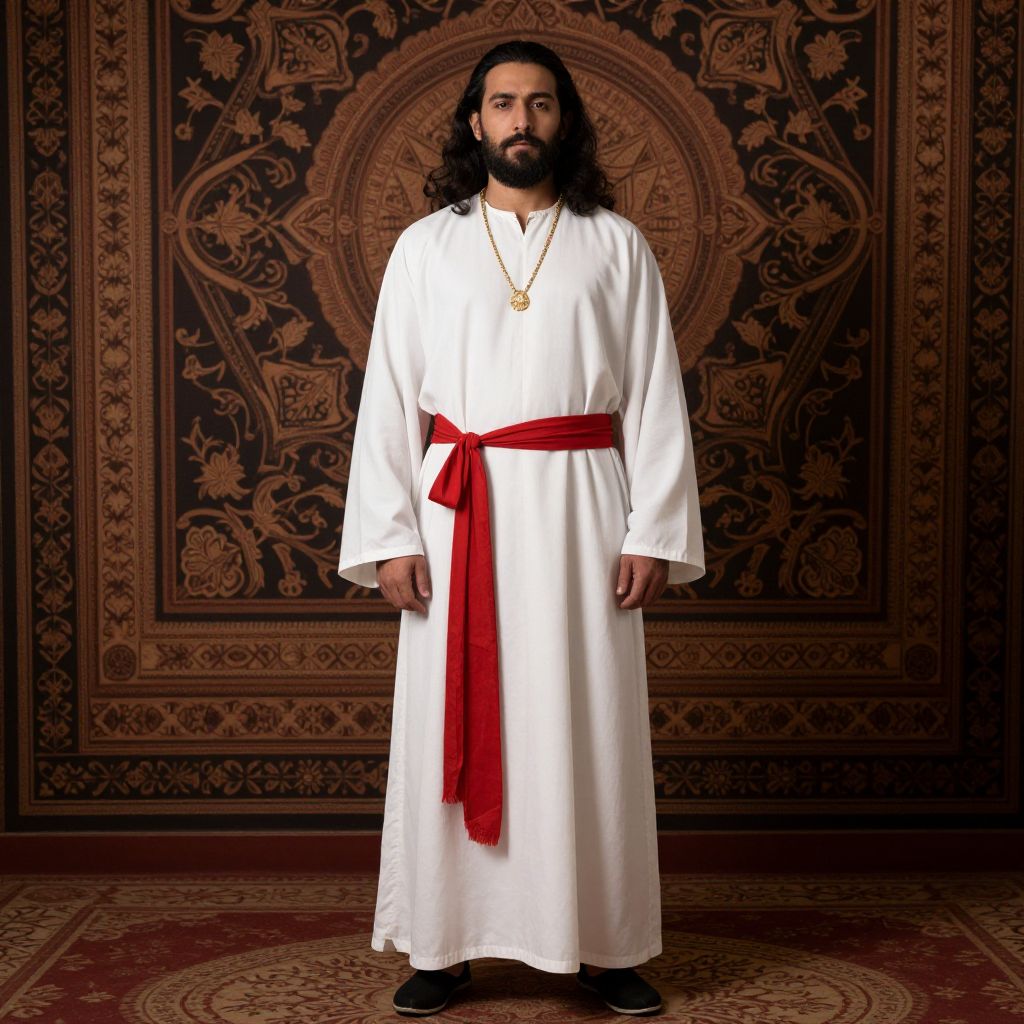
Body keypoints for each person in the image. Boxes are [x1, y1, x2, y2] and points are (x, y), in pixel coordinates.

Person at [337, 38, 705, 1017]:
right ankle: (443, 944)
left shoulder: (616, 245)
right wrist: (391, 535)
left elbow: (654, 396)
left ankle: (606, 945)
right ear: (475, 121)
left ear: (563, 120)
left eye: (540, 103)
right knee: (448, 718)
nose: (521, 119)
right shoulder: (426, 247)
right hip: (455, 514)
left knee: (586, 718)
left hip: (582, 511)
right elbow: (389, 401)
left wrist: (653, 531)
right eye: (503, 102)